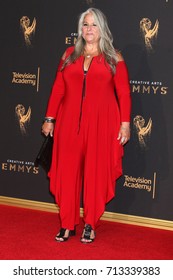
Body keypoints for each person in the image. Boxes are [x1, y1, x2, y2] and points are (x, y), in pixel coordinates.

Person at [42, 7, 131, 243]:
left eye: (93, 25)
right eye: (85, 25)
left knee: (95, 173)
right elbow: (58, 88)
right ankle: (67, 224)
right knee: (67, 173)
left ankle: (90, 224)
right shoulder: (69, 54)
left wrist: (125, 124)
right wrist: (50, 118)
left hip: (102, 124)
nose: (88, 29)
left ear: (101, 28)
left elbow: (123, 93)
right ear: (80, 29)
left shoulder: (114, 57)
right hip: (68, 122)